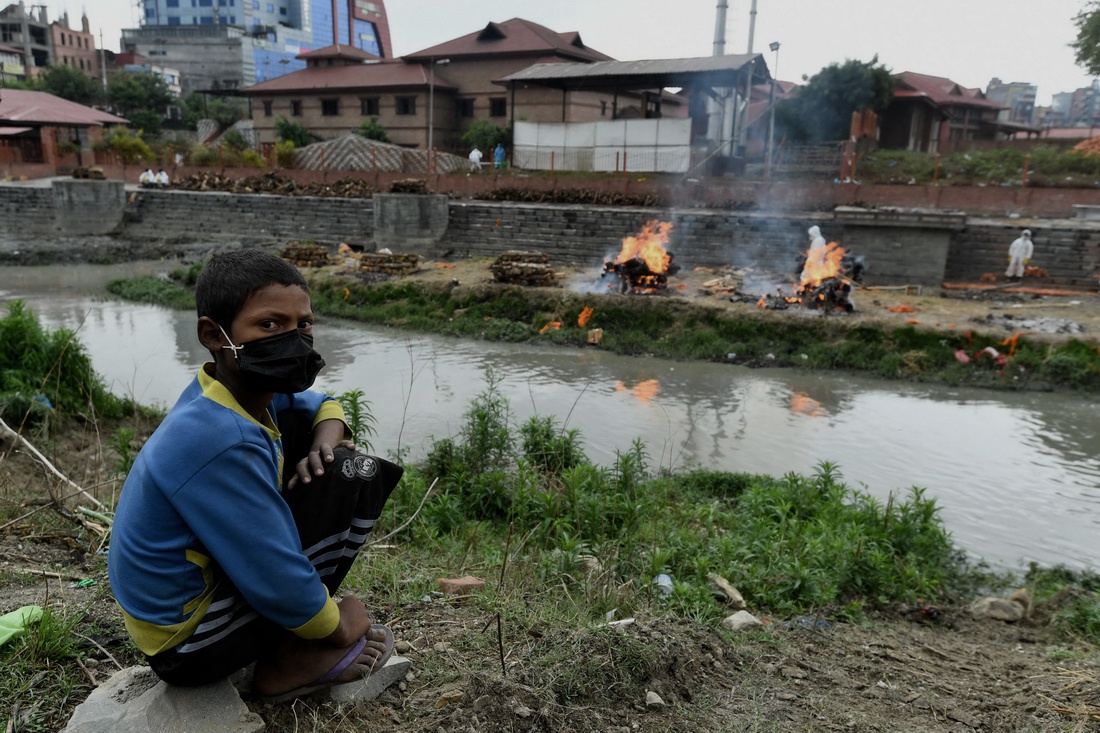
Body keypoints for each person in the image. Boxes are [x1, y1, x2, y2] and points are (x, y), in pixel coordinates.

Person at [108, 249, 402, 702]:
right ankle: (290, 659)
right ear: (214, 334)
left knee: (330, 454)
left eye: (302, 324)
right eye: (269, 325)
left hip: (182, 619)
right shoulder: (219, 440)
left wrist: (323, 442)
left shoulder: (228, 393)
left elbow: (324, 405)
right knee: (352, 472)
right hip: (188, 645)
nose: (293, 338)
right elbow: (272, 572)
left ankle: (294, 632)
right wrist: (338, 626)